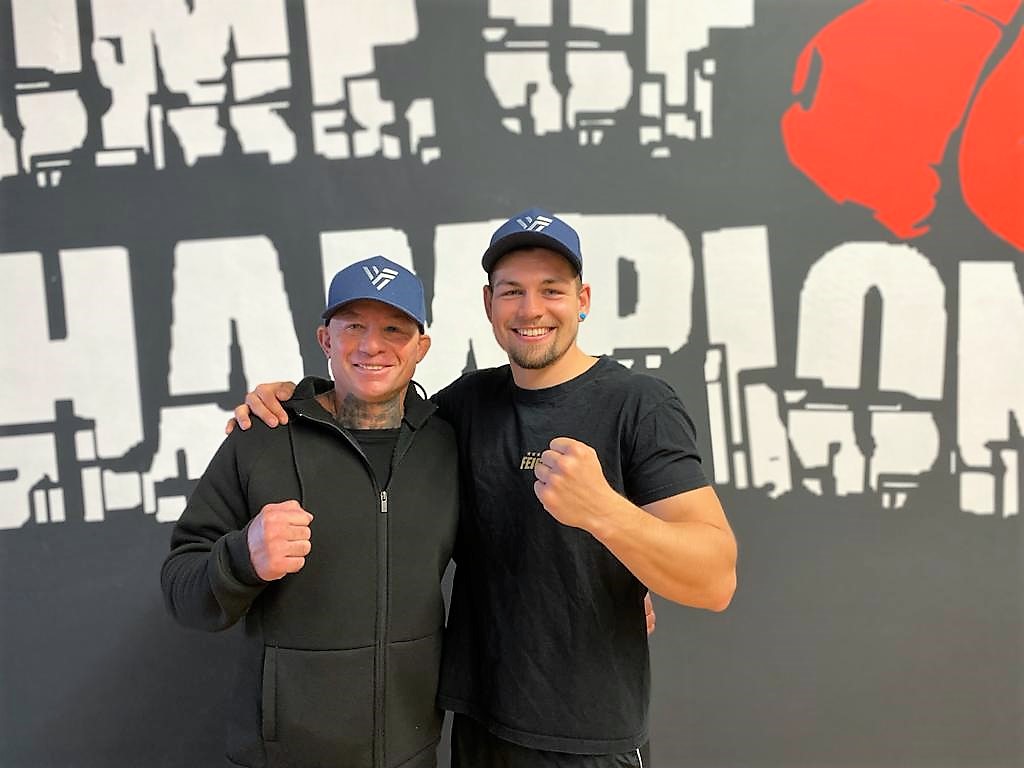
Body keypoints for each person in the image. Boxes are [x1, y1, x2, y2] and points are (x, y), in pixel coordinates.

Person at [233, 208, 738, 767]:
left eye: (551, 289)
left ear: (583, 299)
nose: (531, 309)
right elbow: (376, 403)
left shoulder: (639, 404)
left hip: (589, 738)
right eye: (512, 291)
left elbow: (716, 580)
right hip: (478, 727)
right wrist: (298, 397)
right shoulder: (467, 403)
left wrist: (606, 516)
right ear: (488, 303)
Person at [161, 256, 459, 768]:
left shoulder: (447, 443)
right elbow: (181, 588)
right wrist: (243, 558)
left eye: (394, 329)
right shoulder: (262, 438)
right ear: (325, 340)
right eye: (353, 327)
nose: (371, 345)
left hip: (412, 752)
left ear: (421, 348)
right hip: (287, 756)